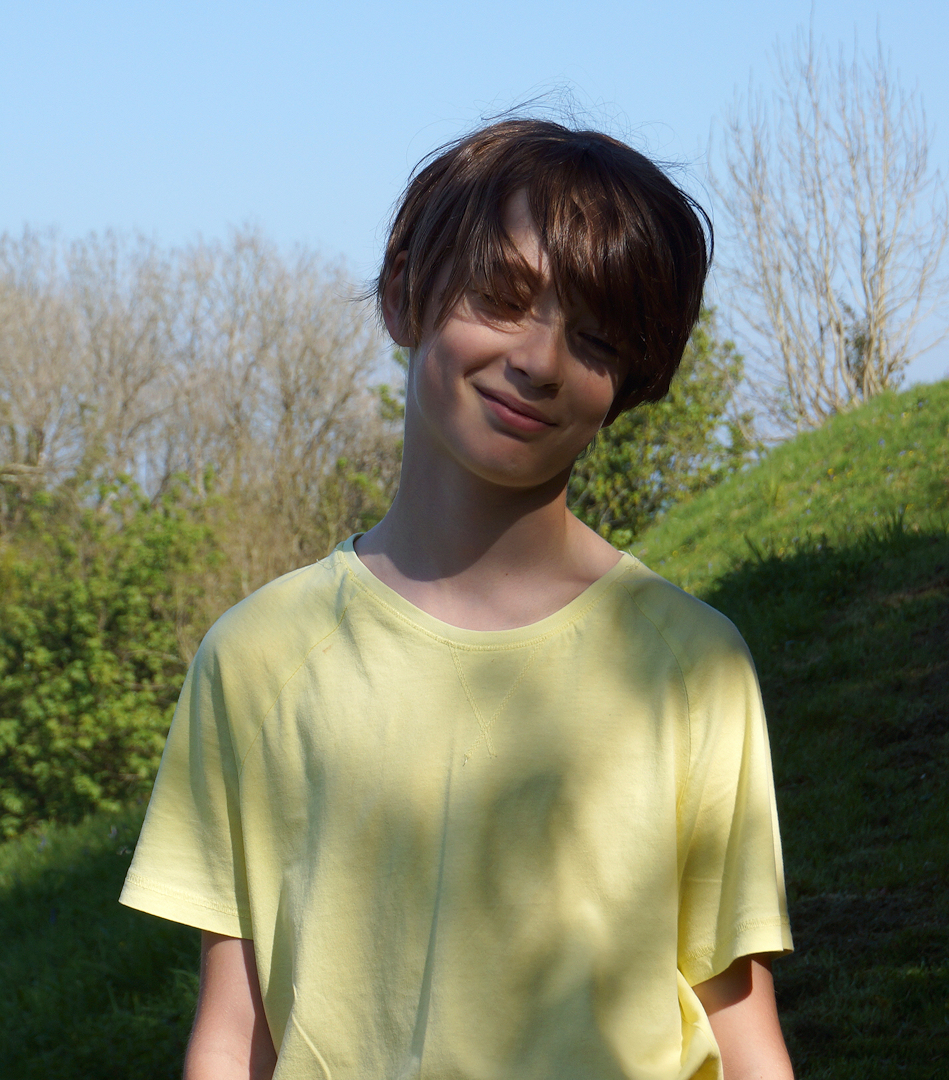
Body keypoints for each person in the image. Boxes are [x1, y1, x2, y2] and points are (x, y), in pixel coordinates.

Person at [121, 117, 794, 1080]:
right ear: (404, 292)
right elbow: (236, 1030)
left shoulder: (693, 664)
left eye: (597, 338)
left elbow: (743, 1028)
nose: (540, 361)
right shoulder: (256, 655)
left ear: (629, 382)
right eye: (502, 299)